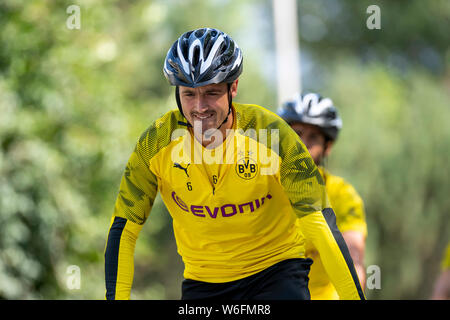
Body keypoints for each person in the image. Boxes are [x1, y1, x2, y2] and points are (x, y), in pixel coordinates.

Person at [104, 27, 365, 300]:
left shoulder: (272, 135)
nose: (200, 107)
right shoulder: (156, 144)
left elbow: (322, 228)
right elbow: (124, 229)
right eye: (189, 94)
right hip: (203, 282)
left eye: (212, 92)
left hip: (275, 273)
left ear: (234, 88)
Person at [277, 93, 368, 299]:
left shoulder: (342, 194)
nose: (302, 143)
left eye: (313, 137)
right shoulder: (263, 186)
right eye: (296, 133)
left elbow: (353, 259)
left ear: (327, 147)